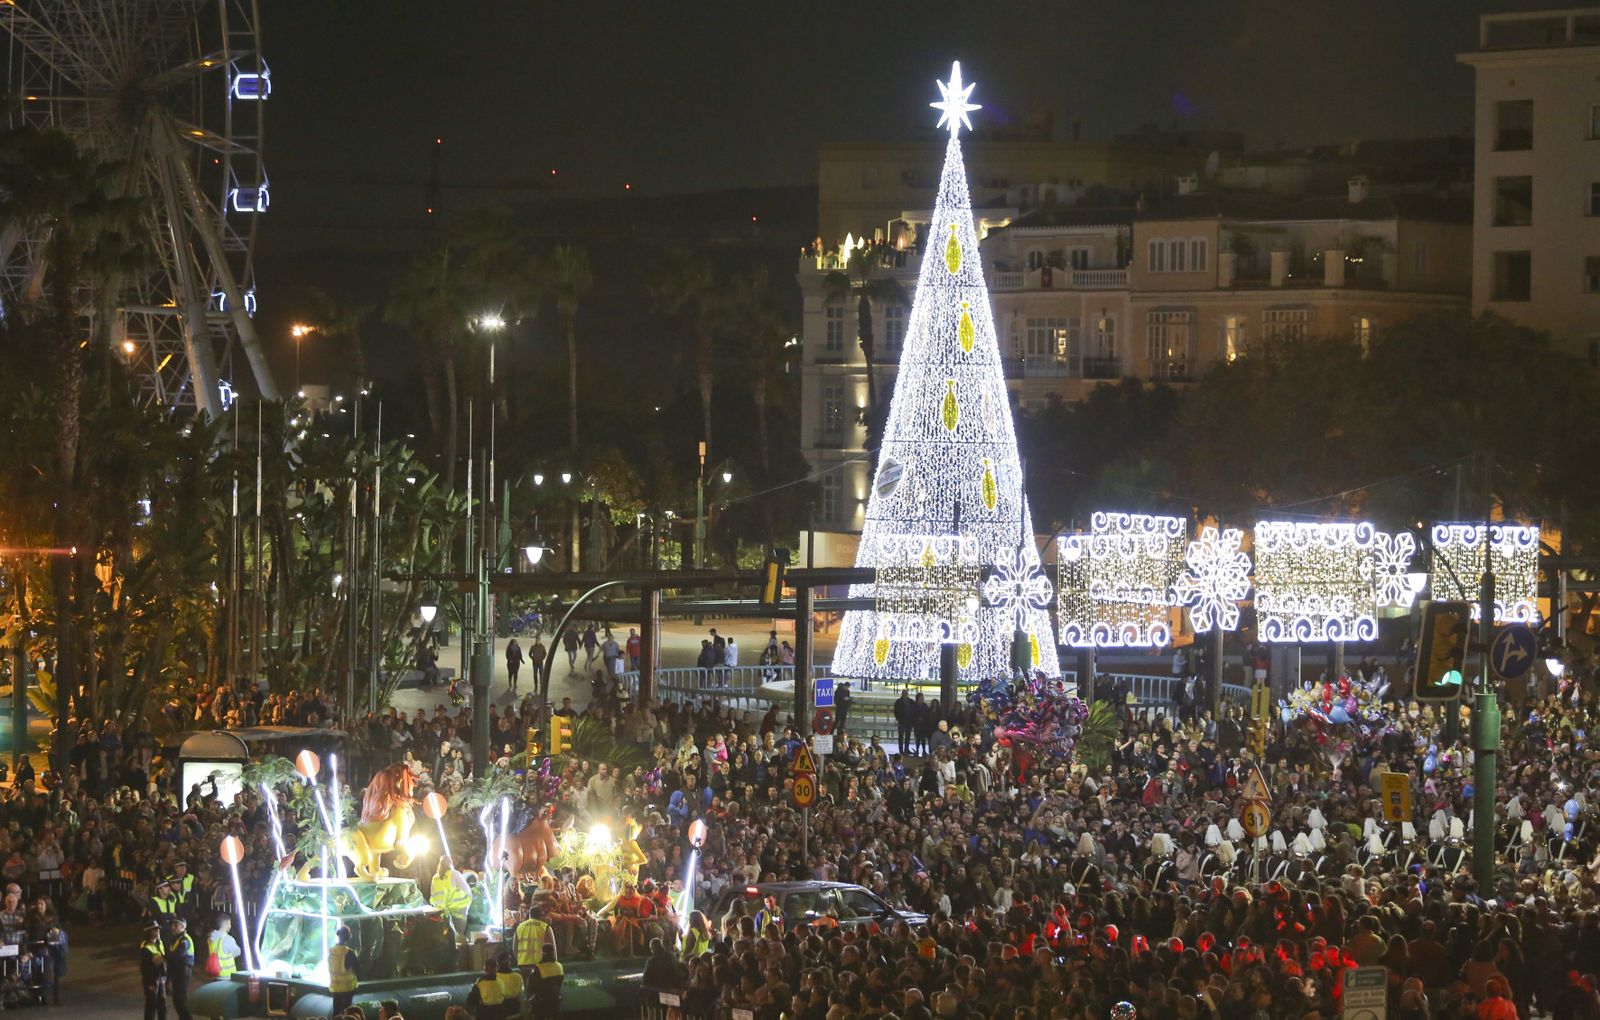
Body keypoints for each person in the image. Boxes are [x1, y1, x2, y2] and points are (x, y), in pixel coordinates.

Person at [429, 856, 472, 936]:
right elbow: (467, 890)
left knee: (444, 936)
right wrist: (467, 905)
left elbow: (433, 894)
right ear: (450, 864)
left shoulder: (435, 878)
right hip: (457, 912)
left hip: (441, 913)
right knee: (458, 937)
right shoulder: (454, 874)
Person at [165, 917, 195, 1020]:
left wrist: (164, 956)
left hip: (183, 972)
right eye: (172, 925)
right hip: (177, 972)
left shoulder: (185, 940)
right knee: (177, 1001)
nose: (172, 927)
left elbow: (178, 955)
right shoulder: (175, 939)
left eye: (175, 925)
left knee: (180, 1000)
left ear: (183, 927)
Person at [329, 925, 361, 1015]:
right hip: (347, 989)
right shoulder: (349, 952)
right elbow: (358, 969)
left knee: (336, 1013)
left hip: (335, 988)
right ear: (349, 937)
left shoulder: (331, 951)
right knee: (347, 1014)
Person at [139, 922, 168, 1020]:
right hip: (152, 981)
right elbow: (145, 969)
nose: (158, 930)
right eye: (155, 929)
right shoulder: (145, 947)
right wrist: (150, 984)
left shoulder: (159, 942)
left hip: (161, 978)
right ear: (148, 932)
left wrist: (164, 977)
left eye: (158, 929)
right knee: (151, 1006)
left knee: (162, 1005)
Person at [530, 946, 563, 1020]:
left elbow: (531, 986)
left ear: (542, 954)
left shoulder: (538, 968)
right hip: (555, 1001)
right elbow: (559, 983)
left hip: (541, 1003)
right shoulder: (559, 966)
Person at [207, 914, 241, 979]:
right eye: (229, 923)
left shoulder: (210, 937)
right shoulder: (227, 939)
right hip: (226, 976)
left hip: (214, 973)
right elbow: (237, 952)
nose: (230, 926)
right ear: (226, 923)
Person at [494, 952, 524, 1019]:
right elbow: (521, 995)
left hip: (499, 1010)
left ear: (498, 964)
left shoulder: (495, 978)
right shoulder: (518, 977)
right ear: (509, 963)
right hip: (515, 1008)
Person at [895, 688, 913, 754]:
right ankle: (901, 750)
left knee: (907, 736)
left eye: (905, 693)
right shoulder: (898, 702)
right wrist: (898, 718)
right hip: (901, 721)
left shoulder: (911, 701)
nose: (905, 694)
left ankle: (906, 749)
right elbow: (896, 711)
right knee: (901, 737)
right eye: (904, 693)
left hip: (909, 721)